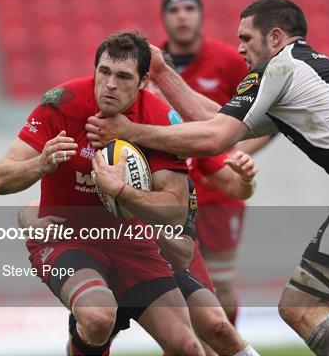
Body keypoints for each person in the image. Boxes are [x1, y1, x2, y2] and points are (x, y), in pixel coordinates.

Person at [85, 0, 329, 356]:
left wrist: (130, 131)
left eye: (246, 38)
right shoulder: (311, 68)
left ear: (274, 37)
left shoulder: (278, 69)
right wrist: (163, 72)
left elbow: (213, 139)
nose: (239, 48)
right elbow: (217, 119)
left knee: (297, 305)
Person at [0, 31, 205, 356]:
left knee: (188, 346)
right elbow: (2, 178)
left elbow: (175, 210)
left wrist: (122, 192)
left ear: (144, 81)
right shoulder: (62, 103)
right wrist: (41, 163)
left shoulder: (159, 120)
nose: (109, 84)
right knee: (98, 316)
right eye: (103, 72)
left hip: (133, 243)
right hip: (66, 238)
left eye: (123, 76)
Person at [18, 152, 261, 356]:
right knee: (97, 322)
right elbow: (35, 205)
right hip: (99, 263)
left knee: (215, 329)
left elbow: (181, 256)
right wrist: (29, 220)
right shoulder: (106, 159)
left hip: (151, 263)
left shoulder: (178, 181)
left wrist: (137, 205)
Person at [158, 0, 268, 325]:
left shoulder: (228, 62)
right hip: (168, 193)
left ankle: (225, 344)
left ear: (201, 14)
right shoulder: (149, 64)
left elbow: (266, 121)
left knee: (219, 285)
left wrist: (229, 155)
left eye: (189, 8)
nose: (182, 16)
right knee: (176, 285)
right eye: (174, 10)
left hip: (218, 192)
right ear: (164, 17)